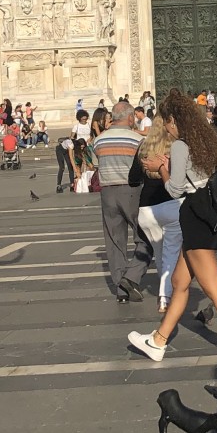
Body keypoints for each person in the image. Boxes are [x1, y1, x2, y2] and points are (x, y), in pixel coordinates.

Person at [127, 90, 217, 365]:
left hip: (194, 216)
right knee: (180, 283)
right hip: (209, 214)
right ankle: (158, 341)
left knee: (214, 289)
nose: (165, 127)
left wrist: (161, 168)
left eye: (166, 121)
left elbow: (176, 190)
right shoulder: (207, 142)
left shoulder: (179, 146)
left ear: (174, 120)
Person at [90, 101, 148, 302]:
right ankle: (131, 277)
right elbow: (144, 166)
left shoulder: (99, 141)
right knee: (146, 235)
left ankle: (121, 290)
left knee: (115, 241)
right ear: (131, 117)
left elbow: (96, 164)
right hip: (132, 190)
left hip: (107, 192)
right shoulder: (136, 139)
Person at [127, 122, 183, 316]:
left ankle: (167, 292)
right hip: (170, 206)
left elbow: (132, 178)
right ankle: (165, 298)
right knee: (170, 255)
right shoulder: (176, 146)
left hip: (146, 209)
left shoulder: (143, 146)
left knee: (160, 256)